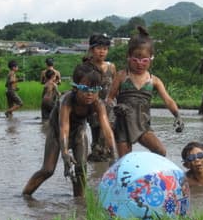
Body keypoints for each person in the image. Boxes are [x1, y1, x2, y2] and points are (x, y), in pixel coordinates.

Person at [22, 64, 117, 197]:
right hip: (57, 133)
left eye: (94, 89)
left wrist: (115, 155)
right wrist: (65, 152)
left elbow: (107, 130)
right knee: (48, 170)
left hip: (78, 131)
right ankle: (26, 194)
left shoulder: (98, 104)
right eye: (85, 88)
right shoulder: (67, 101)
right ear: (75, 87)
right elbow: (64, 127)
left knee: (81, 168)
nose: (90, 94)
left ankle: (79, 201)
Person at [107, 26, 184, 158]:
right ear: (128, 57)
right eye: (135, 60)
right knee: (124, 161)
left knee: (161, 152)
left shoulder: (154, 80)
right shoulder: (121, 76)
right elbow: (109, 98)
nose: (140, 64)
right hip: (123, 126)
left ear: (151, 59)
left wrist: (177, 115)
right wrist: (115, 107)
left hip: (143, 125)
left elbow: (168, 100)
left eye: (144, 60)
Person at [83, 33, 117, 162]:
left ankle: (106, 164)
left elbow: (114, 87)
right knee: (96, 139)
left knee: (107, 137)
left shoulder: (111, 67)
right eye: (99, 48)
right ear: (92, 50)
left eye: (105, 48)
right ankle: (96, 167)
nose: (102, 52)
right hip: (94, 107)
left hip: (110, 107)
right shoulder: (86, 68)